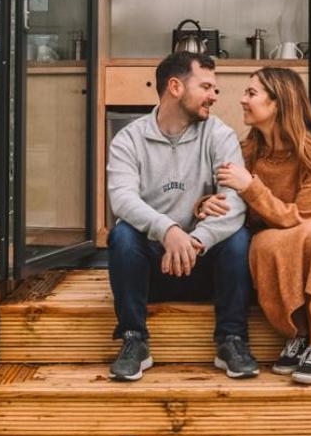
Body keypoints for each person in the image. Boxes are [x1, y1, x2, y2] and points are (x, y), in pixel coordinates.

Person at [106, 51, 259, 383]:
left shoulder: (220, 135)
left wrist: (197, 240)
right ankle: (134, 339)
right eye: (206, 87)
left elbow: (235, 202)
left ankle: (231, 339)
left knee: (238, 238)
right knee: (122, 236)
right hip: (152, 270)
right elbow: (122, 198)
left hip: (204, 265)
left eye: (215, 89)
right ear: (175, 87)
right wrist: (168, 229)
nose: (214, 96)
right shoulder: (128, 140)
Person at [198, 66, 311, 385]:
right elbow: (220, 197)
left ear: (278, 102)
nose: (242, 99)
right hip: (270, 249)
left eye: (251, 93)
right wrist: (204, 205)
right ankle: (296, 334)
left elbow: (307, 217)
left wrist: (251, 187)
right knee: (263, 241)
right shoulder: (246, 152)